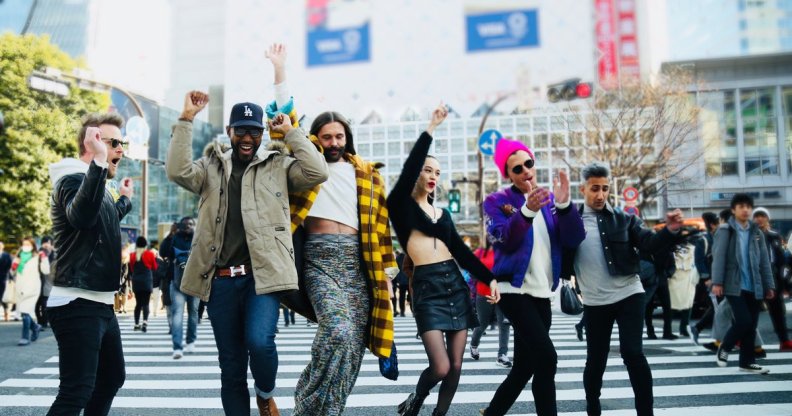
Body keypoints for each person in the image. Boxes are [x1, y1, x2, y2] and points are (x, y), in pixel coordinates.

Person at [166, 52, 327, 414]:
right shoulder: (209, 166)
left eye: (254, 130)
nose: (248, 137)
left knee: (261, 342)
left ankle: (267, 392)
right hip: (220, 281)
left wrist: (291, 133)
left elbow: (317, 172)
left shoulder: (278, 166)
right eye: (241, 130)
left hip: (262, 277)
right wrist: (186, 118)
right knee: (231, 367)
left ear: (261, 133)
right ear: (230, 132)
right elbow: (176, 171)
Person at [387, 104, 498, 416]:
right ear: (416, 174)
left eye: (437, 172)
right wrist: (430, 129)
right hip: (426, 287)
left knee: (456, 366)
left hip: (455, 285)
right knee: (440, 366)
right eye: (427, 170)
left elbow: (462, 253)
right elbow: (409, 168)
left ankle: (439, 414)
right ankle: (417, 399)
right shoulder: (400, 207)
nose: (433, 176)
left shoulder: (444, 214)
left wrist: (488, 278)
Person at [290, 96, 398, 413]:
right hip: (318, 260)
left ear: (347, 138)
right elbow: (288, 131)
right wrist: (280, 72)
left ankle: (332, 408)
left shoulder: (367, 175)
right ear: (315, 139)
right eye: (326, 137)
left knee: (353, 346)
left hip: (359, 264)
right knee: (336, 332)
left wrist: (387, 277)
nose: (334, 142)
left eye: (339, 136)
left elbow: (381, 227)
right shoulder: (306, 168)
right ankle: (306, 402)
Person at [562, 162, 685, 416]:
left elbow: (649, 243)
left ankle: (645, 412)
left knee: (632, 353)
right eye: (594, 188)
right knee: (596, 360)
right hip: (595, 301)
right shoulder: (571, 220)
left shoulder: (625, 219)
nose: (600, 194)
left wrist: (670, 231)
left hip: (629, 293)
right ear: (583, 188)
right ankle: (593, 407)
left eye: (605, 189)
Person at [479, 137, 586, 416]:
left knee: (526, 366)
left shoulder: (550, 200)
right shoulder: (495, 201)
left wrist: (564, 206)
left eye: (529, 163)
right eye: (517, 168)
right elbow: (503, 240)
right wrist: (527, 211)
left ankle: (492, 413)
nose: (526, 170)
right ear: (508, 174)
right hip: (513, 290)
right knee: (547, 359)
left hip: (542, 292)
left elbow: (574, 238)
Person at [47, 113, 133, 414]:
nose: (120, 150)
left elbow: (101, 220)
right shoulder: (71, 179)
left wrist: (124, 200)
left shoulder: (96, 187)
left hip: (98, 302)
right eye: (114, 143)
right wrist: (98, 162)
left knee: (111, 378)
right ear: (91, 144)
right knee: (76, 391)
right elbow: (81, 217)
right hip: (76, 300)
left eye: (123, 143)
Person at [712, 194, 775, 373]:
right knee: (744, 320)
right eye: (741, 206)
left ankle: (746, 363)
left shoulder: (757, 232)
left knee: (751, 325)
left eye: (748, 206)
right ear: (734, 210)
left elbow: (764, 261)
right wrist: (717, 282)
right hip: (734, 285)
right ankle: (725, 346)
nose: (745, 209)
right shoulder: (726, 230)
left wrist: (768, 285)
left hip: (754, 285)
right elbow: (719, 257)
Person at [752, 207, 792, 351]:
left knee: (777, 311)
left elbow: (782, 260)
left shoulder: (775, 236)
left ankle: (784, 341)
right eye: (756, 216)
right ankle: (747, 341)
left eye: (762, 216)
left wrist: (786, 283)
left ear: (767, 219)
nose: (759, 219)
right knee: (752, 312)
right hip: (755, 277)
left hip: (774, 277)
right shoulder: (749, 235)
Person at [159, 217, 198, 358]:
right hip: (177, 283)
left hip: (195, 282)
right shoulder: (175, 238)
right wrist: (171, 234)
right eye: (185, 224)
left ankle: (191, 340)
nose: (188, 226)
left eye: (191, 224)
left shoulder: (199, 237)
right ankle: (177, 347)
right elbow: (163, 253)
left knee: (193, 314)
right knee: (177, 315)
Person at [469, 242, 511, 367]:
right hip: (484, 293)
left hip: (503, 293)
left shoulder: (507, 252)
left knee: (504, 323)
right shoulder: (480, 252)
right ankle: (474, 344)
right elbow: (472, 269)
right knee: (483, 323)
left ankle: (502, 355)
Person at [688, 212, 719, 344]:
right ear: (712, 225)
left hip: (719, 277)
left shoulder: (720, 238)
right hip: (710, 279)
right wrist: (706, 278)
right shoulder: (703, 240)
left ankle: (697, 329)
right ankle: (698, 328)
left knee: (719, 308)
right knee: (718, 307)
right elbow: (699, 261)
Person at [13, 237, 49, 346]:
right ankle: (35, 327)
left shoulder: (38, 256)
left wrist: (44, 259)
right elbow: (13, 272)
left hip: (32, 288)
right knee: (25, 312)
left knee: (25, 312)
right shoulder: (18, 257)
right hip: (20, 289)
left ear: (33, 246)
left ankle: (25, 337)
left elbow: (46, 270)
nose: (26, 246)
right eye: (24, 244)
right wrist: (15, 265)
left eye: (28, 244)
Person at [129, 236, 157, 333]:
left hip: (137, 281)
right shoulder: (149, 254)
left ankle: (136, 324)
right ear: (146, 245)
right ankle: (145, 321)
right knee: (146, 303)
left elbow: (132, 269)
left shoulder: (132, 255)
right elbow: (154, 267)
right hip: (146, 281)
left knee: (138, 303)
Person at [37, 236, 56, 329]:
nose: (46, 245)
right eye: (45, 243)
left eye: (48, 243)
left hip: (50, 283)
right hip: (38, 282)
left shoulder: (55, 254)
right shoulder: (38, 254)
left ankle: (45, 321)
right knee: (38, 304)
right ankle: (40, 321)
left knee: (45, 304)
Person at [393, 250, 410, 317]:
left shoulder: (398, 257)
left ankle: (402, 311)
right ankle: (412, 310)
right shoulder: (409, 255)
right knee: (410, 295)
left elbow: (396, 268)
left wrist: (396, 280)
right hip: (408, 278)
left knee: (402, 296)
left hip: (402, 280)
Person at [0, 241, 13, 321]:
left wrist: (10, 277)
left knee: (3, 296)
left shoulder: (6, 255)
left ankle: (6, 311)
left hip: (3, 278)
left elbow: (9, 266)